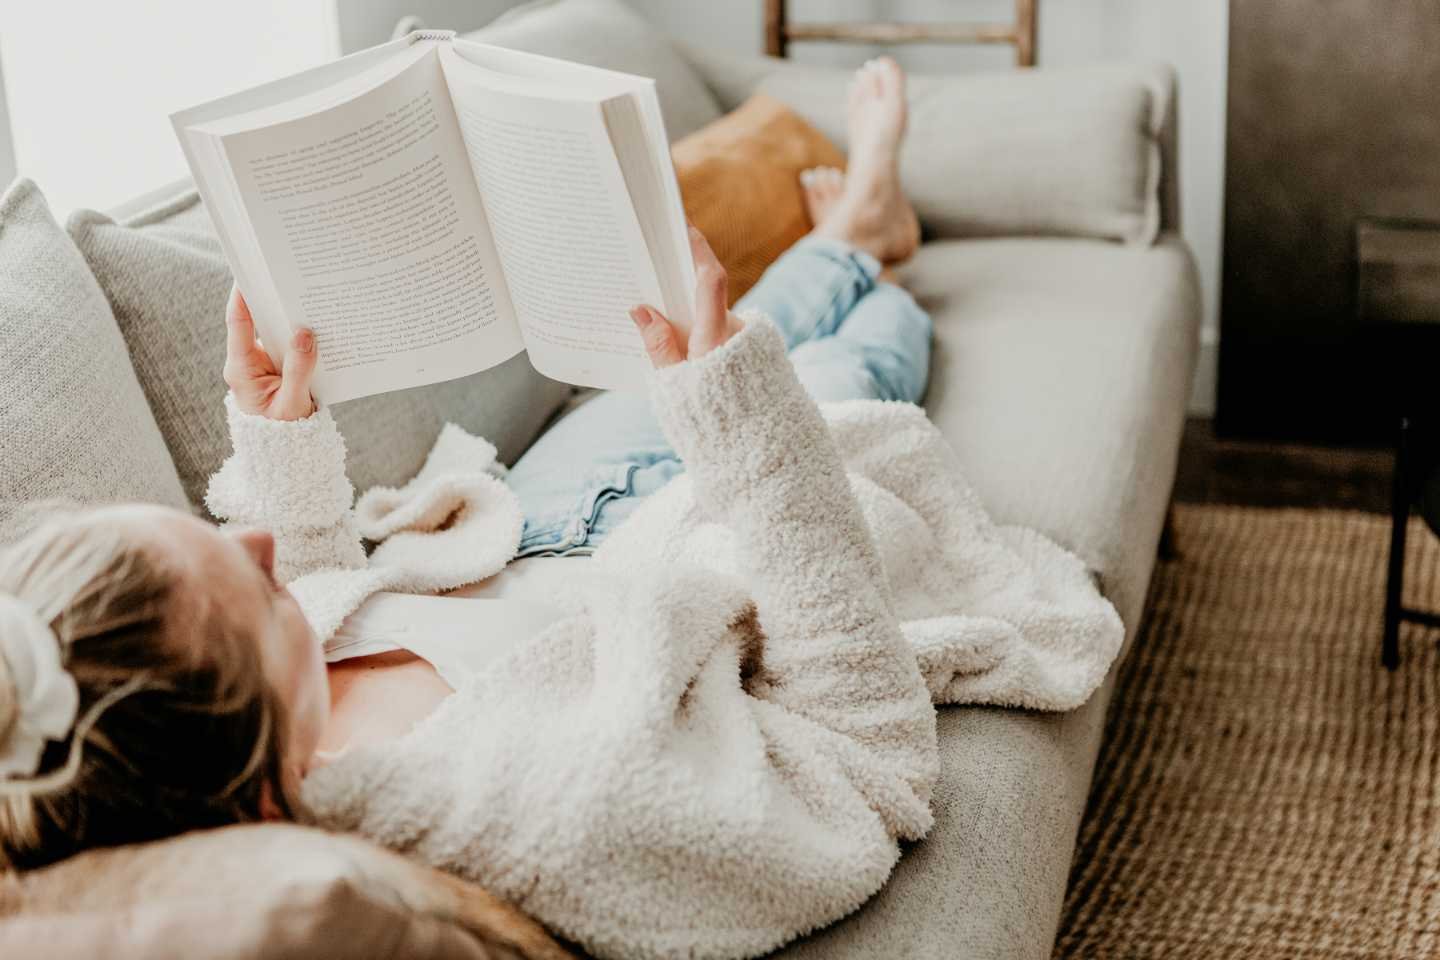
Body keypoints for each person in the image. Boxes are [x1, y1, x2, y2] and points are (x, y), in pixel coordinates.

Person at [0, 58, 1122, 960]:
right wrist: (744, 428)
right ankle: (876, 244)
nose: (254, 542)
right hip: (715, 542)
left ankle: (849, 233)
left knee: (715, 331)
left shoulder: (286, 708)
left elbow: (319, 593)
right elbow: (869, 759)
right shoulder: (537, 816)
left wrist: (281, 442)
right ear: (250, 786)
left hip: (543, 512)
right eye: (247, 580)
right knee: (865, 360)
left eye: (216, 531)